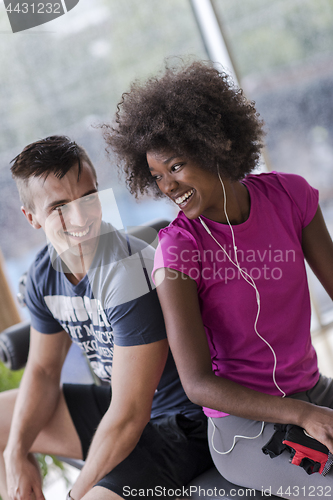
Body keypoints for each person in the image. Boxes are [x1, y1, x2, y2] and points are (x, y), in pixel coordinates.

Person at [104, 60, 333, 498]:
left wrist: (307, 407)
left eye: (175, 166)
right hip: (244, 430)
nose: (167, 185)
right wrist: (302, 416)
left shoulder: (290, 196)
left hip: (311, 391)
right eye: (156, 176)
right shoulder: (178, 251)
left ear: (215, 144)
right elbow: (197, 384)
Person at [0, 135, 213, 500]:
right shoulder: (43, 275)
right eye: (59, 206)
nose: (80, 218)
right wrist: (16, 451)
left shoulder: (128, 270)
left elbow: (131, 413)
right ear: (31, 217)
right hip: (118, 408)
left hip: (179, 426)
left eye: (88, 197)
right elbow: (43, 371)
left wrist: (74, 494)